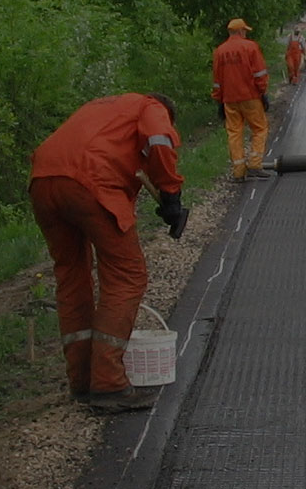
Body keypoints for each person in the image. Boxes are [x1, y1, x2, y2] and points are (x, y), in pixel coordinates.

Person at [28, 93, 189, 413]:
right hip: (89, 181)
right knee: (127, 275)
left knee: (72, 275)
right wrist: (171, 192)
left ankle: (82, 379)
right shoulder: (152, 108)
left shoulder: (105, 108)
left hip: (43, 181)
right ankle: (108, 383)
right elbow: (159, 141)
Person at [212, 18, 273, 182]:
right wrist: (263, 93)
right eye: (244, 30)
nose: (245, 33)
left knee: (234, 132)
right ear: (240, 31)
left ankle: (238, 171)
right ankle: (254, 164)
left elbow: (217, 79)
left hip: (229, 99)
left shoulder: (220, 51)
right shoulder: (250, 47)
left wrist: (219, 99)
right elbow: (259, 73)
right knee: (260, 129)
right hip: (250, 96)